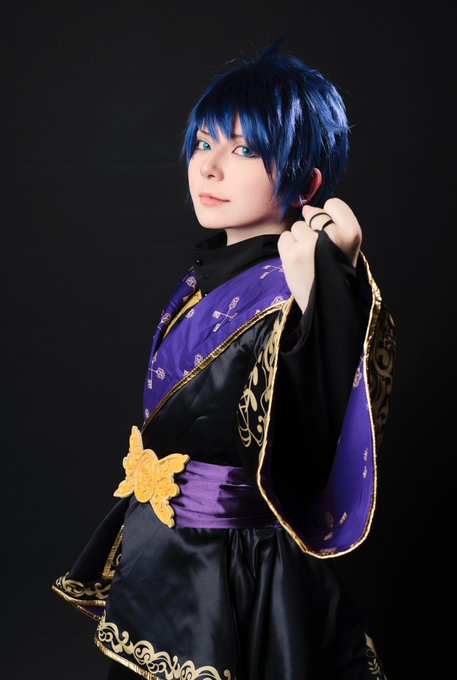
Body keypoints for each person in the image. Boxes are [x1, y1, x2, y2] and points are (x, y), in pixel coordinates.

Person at [52, 37, 396, 679]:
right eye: (204, 143)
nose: (208, 168)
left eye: (244, 150)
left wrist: (336, 295)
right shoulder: (204, 275)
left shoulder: (295, 290)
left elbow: (314, 440)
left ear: (305, 181)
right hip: (169, 545)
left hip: (238, 566)